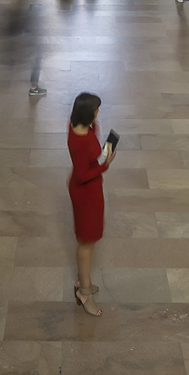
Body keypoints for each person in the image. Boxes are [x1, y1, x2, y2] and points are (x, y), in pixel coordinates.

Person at [67, 92, 114, 316]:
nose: (98, 113)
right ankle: (84, 291)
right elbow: (83, 174)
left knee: (88, 239)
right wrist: (106, 164)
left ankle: (83, 279)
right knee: (87, 243)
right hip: (87, 193)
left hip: (87, 192)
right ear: (88, 115)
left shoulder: (74, 125)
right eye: (96, 111)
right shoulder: (82, 141)